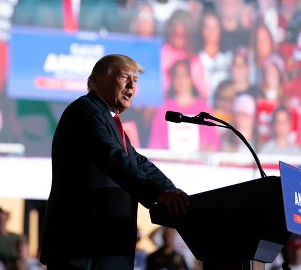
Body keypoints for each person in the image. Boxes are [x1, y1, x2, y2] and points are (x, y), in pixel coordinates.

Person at [39, 54, 190, 269]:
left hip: (107, 245)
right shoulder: (85, 111)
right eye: (124, 77)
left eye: (135, 81)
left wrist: (175, 194)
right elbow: (112, 159)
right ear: (100, 81)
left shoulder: (108, 120)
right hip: (81, 244)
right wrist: (158, 194)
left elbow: (137, 162)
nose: (131, 85)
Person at [148, 59, 220, 152]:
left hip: (198, 165)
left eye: (184, 75)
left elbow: (214, 141)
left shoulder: (204, 108)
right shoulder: (164, 109)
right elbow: (155, 143)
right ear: (172, 80)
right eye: (176, 76)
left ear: (191, 78)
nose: (180, 80)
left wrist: (209, 149)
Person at [190, 10, 231, 108]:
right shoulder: (195, 60)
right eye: (207, 27)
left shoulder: (229, 57)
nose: (211, 31)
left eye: (214, 27)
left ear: (220, 30)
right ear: (202, 30)